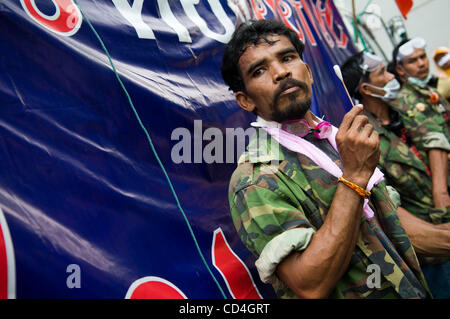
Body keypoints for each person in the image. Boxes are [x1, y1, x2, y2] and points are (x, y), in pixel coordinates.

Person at [221, 19, 432, 299]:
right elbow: (310, 284)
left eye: (287, 58)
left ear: (308, 72)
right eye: (259, 70)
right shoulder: (255, 179)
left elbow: (391, 223)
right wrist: (354, 177)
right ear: (246, 100)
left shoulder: (337, 140)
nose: (281, 72)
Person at [341, 51, 450, 298]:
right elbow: (385, 201)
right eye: (382, 73)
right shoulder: (364, 136)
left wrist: (442, 194)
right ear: (366, 88)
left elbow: (436, 136)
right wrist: (438, 229)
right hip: (430, 243)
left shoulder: (406, 105)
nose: (392, 75)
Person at [389, 37, 450, 207]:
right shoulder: (404, 101)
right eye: (413, 61)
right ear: (400, 69)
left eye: (423, 57)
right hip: (440, 180)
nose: (421, 63)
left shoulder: (430, 90)